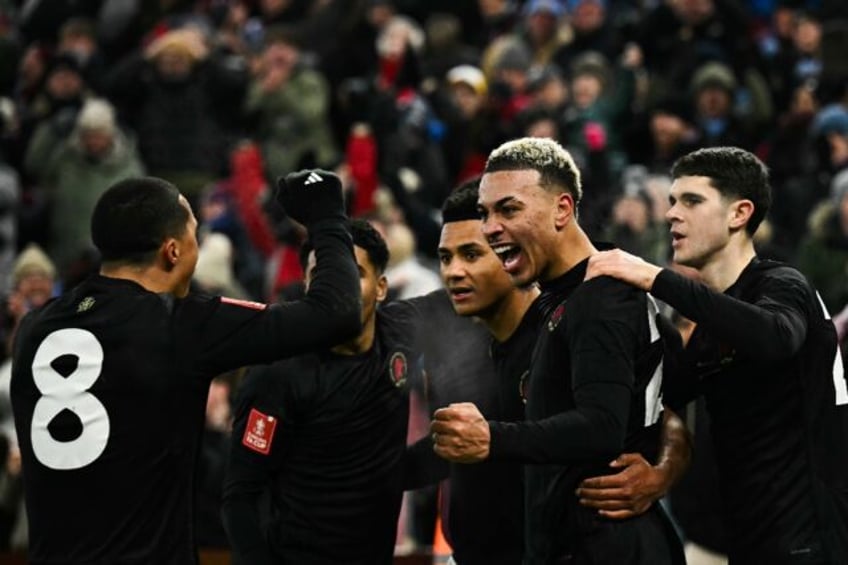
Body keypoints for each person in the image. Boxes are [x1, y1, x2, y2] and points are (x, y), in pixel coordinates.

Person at [10, 171, 360, 564]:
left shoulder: (33, 329)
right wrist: (327, 217)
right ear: (172, 251)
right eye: (195, 233)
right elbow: (337, 312)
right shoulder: (179, 322)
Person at [406, 179, 690, 565]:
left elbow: (670, 399)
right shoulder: (448, 333)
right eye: (445, 257)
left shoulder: (578, 322)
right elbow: (453, 449)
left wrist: (664, 469)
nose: (454, 271)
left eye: (472, 254)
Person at [586, 146, 848, 564]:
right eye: (671, 201)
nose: (672, 213)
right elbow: (670, 393)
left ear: (739, 214)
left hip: (811, 545)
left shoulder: (783, 285)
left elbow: (775, 337)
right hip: (747, 542)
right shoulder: (714, 324)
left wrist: (654, 278)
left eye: (691, 200)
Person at [222, 219, 418, 565]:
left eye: (354, 273)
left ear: (381, 287)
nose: (339, 288)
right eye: (324, 275)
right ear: (307, 284)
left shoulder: (401, 336)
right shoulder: (277, 372)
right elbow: (241, 496)